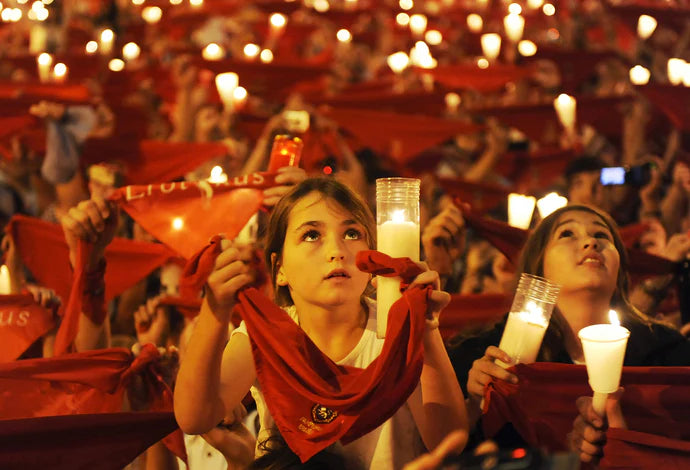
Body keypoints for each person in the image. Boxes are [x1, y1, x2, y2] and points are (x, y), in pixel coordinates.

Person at [175, 177, 469, 469]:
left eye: (352, 233)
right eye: (312, 235)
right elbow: (195, 417)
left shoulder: (396, 328)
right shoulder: (266, 335)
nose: (337, 250)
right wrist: (215, 310)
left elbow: (448, 438)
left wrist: (426, 329)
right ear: (279, 269)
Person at [448, 204, 690, 456]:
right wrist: (474, 405)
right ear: (539, 265)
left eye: (602, 235)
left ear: (620, 271)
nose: (590, 242)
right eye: (567, 234)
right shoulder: (489, 353)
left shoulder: (664, 351)